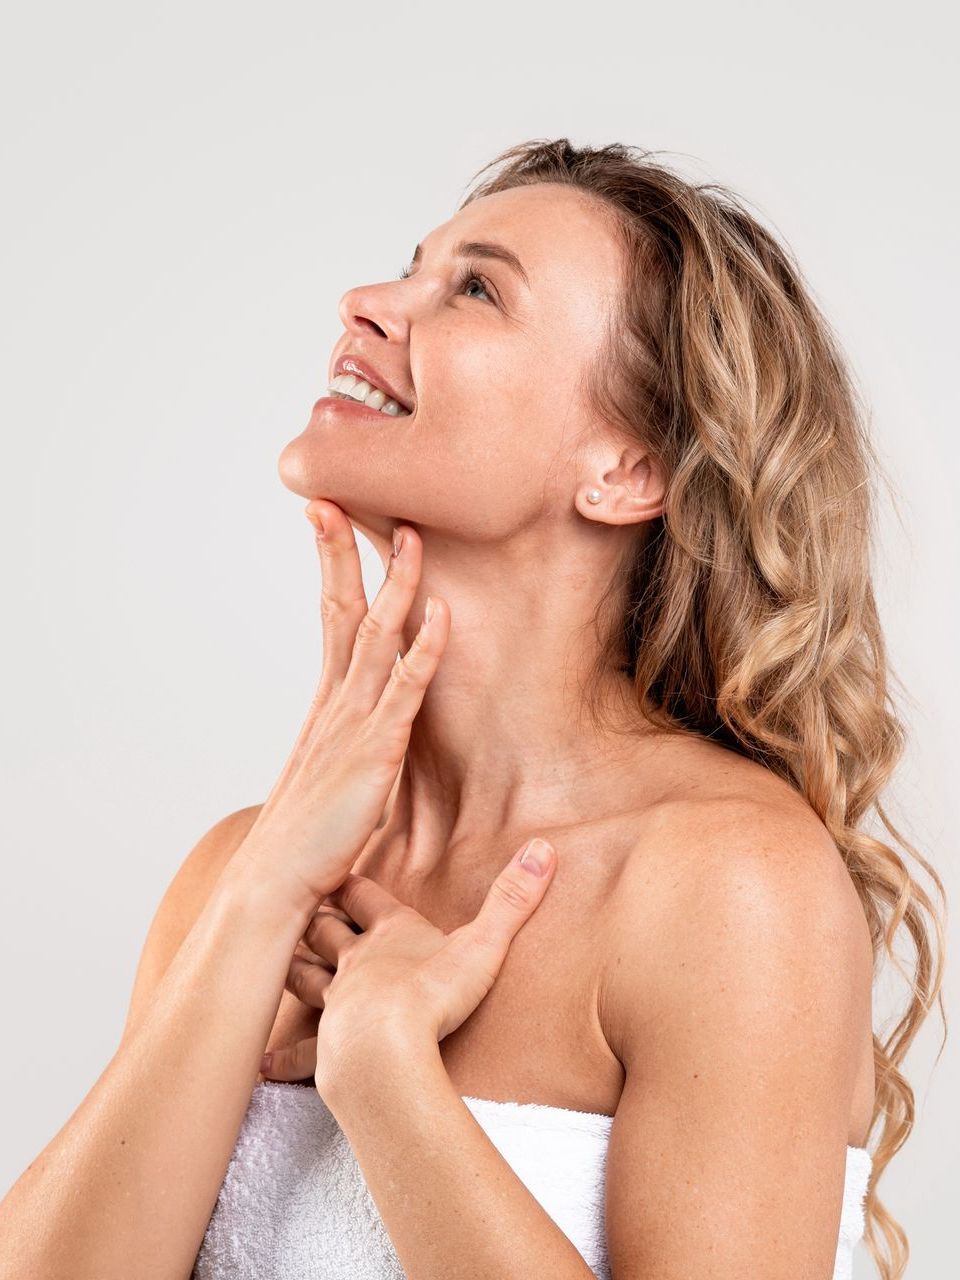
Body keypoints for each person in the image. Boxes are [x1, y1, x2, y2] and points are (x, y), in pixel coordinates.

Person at [0, 138, 945, 1280]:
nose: (366, 303)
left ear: (627, 466)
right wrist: (257, 902)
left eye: (476, 288)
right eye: (412, 267)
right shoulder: (245, 874)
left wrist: (389, 1075)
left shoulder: (730, 886)